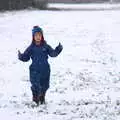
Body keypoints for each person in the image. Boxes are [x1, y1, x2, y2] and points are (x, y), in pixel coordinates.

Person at [18, 26, 63, 105]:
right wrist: (21, 56)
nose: (38, 37)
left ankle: (42, 97)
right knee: (35, 85)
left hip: (45, 69)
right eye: (36, 35)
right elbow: (26, 57)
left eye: (39, 35)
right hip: (34, 70)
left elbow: (53, 54)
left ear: (42, 36)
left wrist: (58, 49)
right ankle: (35, 99)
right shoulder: (31, 48)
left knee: (45, 85)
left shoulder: (46, 46)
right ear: (33, 37)